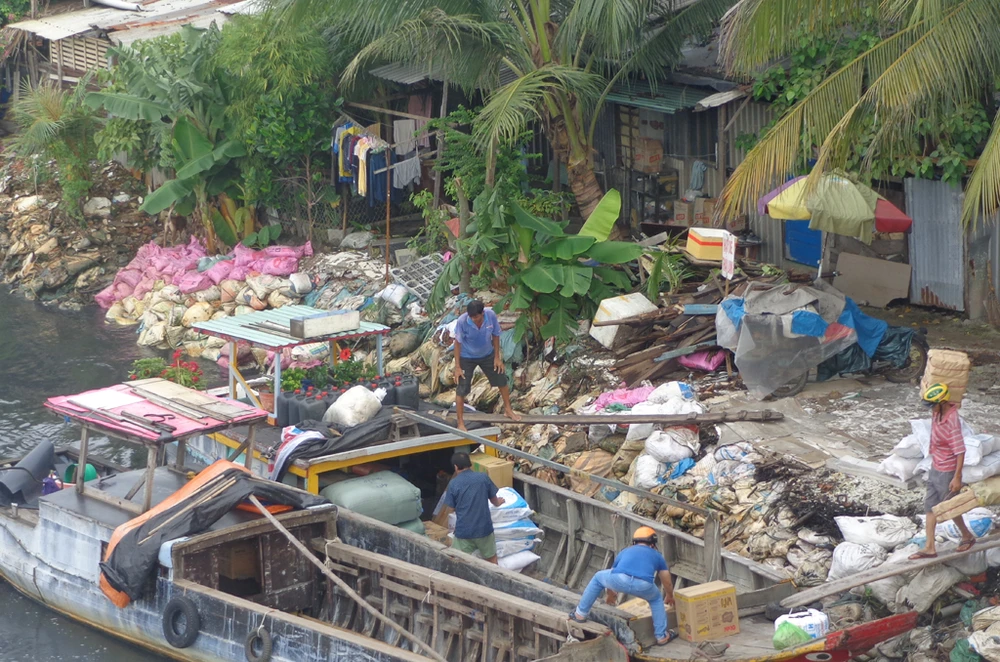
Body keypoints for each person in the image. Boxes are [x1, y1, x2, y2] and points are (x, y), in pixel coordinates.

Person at [569, 527, 678, 646]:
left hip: (620, 579)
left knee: (598, 577)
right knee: (656, 600)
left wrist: (611, 595)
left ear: (635, 542)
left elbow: (612, 573)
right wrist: (669, 595)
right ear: (653, 544)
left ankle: (580, 614)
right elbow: (666, 580)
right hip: (644, 585)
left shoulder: (626, 551)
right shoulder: (657, 555)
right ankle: (661, 636)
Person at [910, 383, 976, 560]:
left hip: (947, 471)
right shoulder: (937, 414)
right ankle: (930, 547)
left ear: (943, 402)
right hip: (935, 466)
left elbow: (960, 450)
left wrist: (957, 476)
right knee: (930, 507)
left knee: (949, 509)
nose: (931, 409)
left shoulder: (951, 421)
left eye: (933, 405)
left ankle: (967, 536)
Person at [454, 299, 521, 431]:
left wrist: (497, 357)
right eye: (471, 317)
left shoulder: (490, 316)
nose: (474, 320)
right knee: (462, 388)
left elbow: (496, 335)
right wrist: (457, 367)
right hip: (467, 357)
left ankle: (508, 410)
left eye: (476, 317)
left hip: (487, 354)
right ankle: (460, 422)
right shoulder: (462, 321)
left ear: (482, 313)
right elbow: (457, 343)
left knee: (501, 380)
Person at [441, 451, 505, 564]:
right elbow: (494, 500)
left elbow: (451, 509)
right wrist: (499, 502)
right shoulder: (483, 478)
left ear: (456, 467)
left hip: (464, 531)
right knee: (492, 559)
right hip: (483, 530)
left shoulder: (454, 484)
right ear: (469, 464)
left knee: (456, 560)